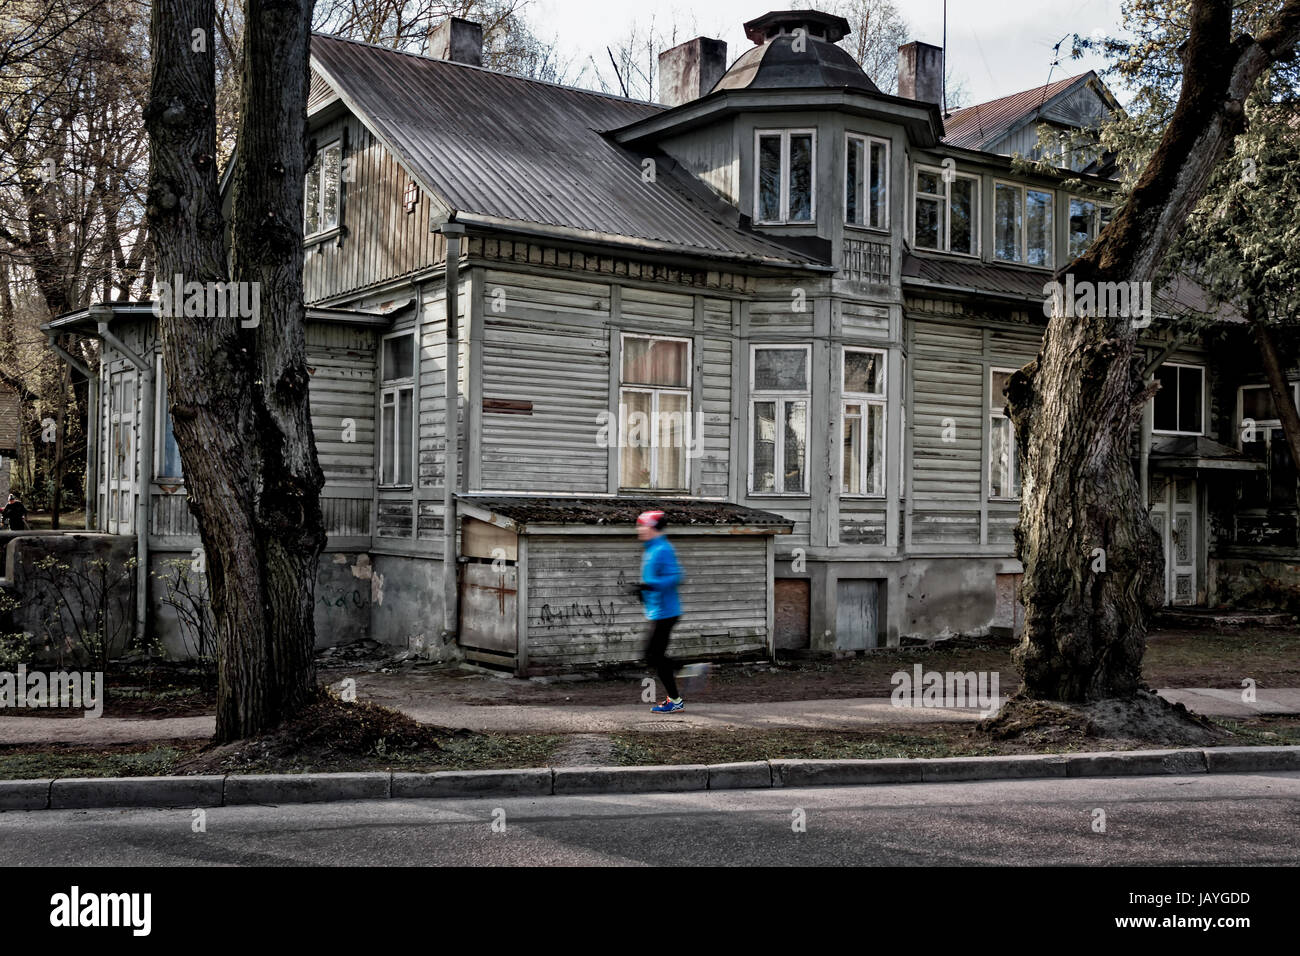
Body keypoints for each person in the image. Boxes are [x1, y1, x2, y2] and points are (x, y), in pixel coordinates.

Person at [637, 509, 685, 713]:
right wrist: (643, 592)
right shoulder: (651, 549)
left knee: (654, 656)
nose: (639, 529)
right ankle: (676, 697)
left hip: (666, 612)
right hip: (658, 611)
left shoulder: (663, 549)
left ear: (653, 528)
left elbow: (676, 577)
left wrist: (650, 586)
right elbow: (652, 580)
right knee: (654, 656)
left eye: (642, 525)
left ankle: (677, 694)